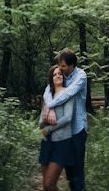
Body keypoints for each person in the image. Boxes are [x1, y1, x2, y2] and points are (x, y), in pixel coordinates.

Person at [43, 49, 88, 191]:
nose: (60, 68)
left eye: (62, 66)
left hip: (78, 128)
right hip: (64, 131)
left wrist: (49, 105)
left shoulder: (81, 76)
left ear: (71, 65)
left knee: (77, 170)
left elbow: (68, 93)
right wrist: (49, 107)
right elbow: (48, 89)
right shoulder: (63, 75)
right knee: (69, 170)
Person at [38, 65, 74, 191]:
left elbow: (68, 117)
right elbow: (40, 122)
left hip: (62, 142)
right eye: (54, 74)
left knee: (49, 184)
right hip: (46, 142)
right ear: (51, 79)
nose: (57, 76)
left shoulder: (68, 93)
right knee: (46, 186)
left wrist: (49, 129)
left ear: (63, 77)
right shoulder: (47, 96)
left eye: (59, 74)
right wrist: (45, 118)